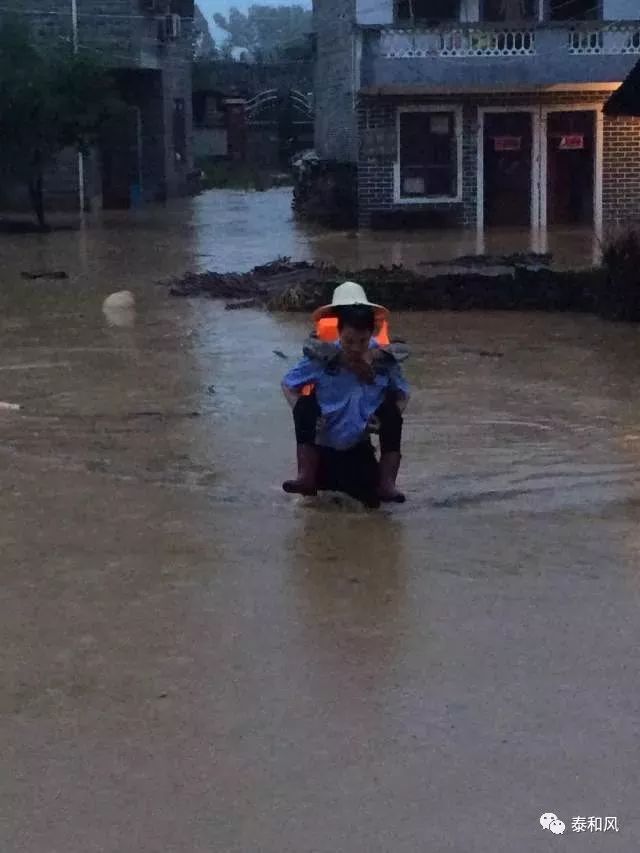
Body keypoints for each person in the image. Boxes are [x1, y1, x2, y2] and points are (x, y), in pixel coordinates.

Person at [281, 281, 410, 504]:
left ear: (371, 334)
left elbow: (404, 393)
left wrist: (380, 422)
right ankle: (305, 476)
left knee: (373, 512)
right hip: (322, 450)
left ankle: (387, 483)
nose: (356, 347)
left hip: (359, 449)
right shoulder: (322, 357)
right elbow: (288, 384)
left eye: (362, 341)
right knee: (314, 511)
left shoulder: (384, 359)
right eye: (349, 341)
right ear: (339, 330)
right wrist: (303, 414)